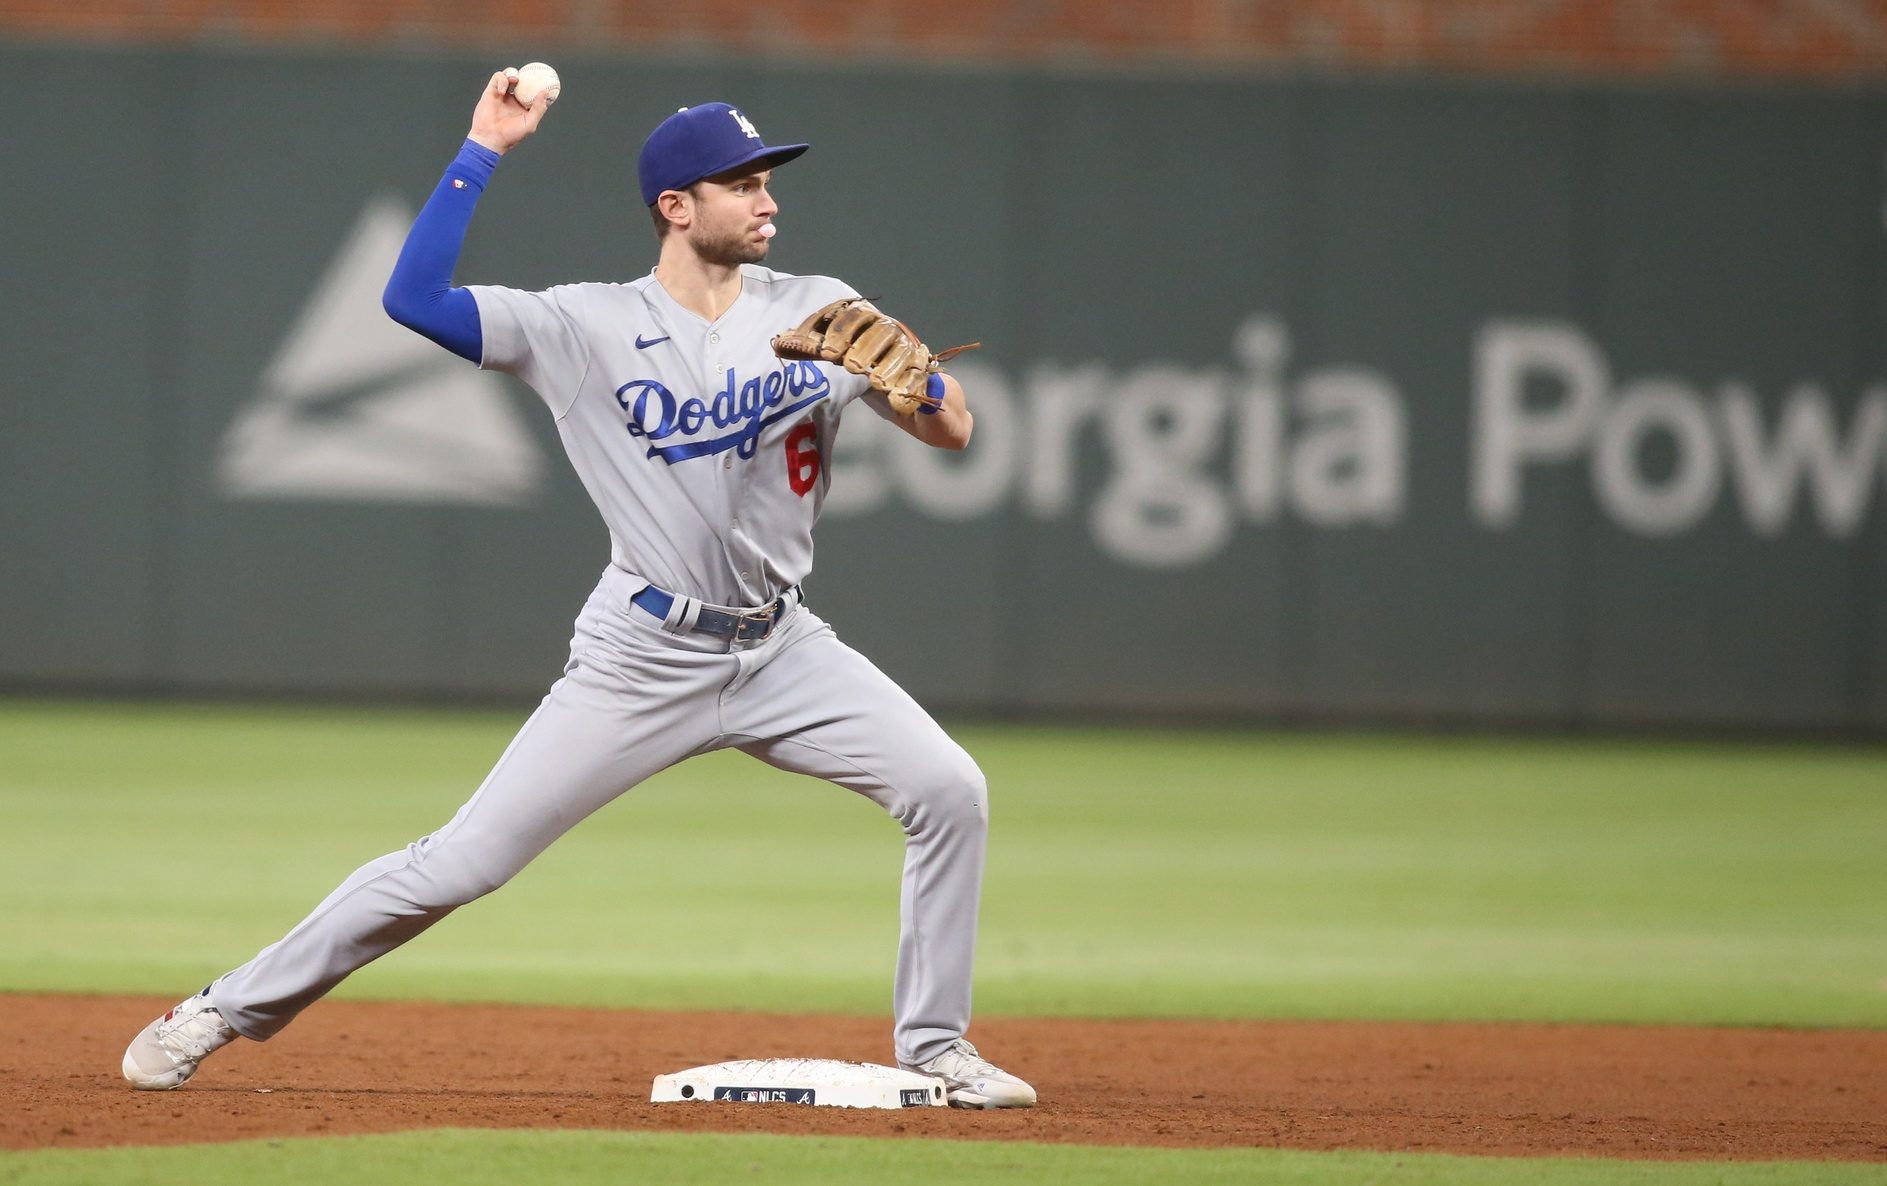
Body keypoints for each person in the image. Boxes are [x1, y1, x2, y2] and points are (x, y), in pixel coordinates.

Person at [121, 68, 1035, 1110]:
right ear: (676, 208)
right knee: (461, 862)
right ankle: (215, 1011)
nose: (769, 197)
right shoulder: (582, 325)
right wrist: (484, 149)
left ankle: (937, 1049)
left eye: (769, 178)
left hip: (784, 648)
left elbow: (953, 429)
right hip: (641, 654)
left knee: (950, 789)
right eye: (742, 182)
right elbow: (412, 299)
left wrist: (908, 378)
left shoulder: (822, 304)